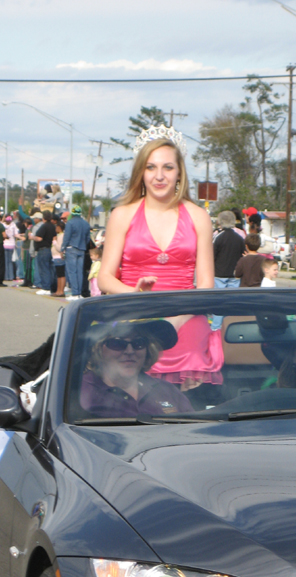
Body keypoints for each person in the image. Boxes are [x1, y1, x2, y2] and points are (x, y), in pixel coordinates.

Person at [97, 125, 221, 390]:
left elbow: (206, 286)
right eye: (151, 167)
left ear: (179, 173)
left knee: (187, 368)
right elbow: (105, 277)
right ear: (141, 173)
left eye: (168, 167)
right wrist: (134, 294)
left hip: (186, 316)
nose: (159, 176)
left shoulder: (198, 216)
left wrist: (173, 321)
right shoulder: (122, 214)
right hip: (132, 312)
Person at [80, 319, 193, 418]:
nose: (129, 351)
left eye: (138, 343)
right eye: (117, 343)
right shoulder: (80, 392)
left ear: (147, 350)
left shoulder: (167, 390)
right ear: (97, 349)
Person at [61, 204, 91, 300]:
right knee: (79, 272)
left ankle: (74, 293)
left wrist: (62, 248)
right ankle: (79, 294)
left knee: (72, 271)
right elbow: (88, 238)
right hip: (82, 249)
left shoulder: (70, 223)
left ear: (72, 213)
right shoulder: (86, 223)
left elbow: (67, 237)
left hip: (71, 248)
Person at [32, 210, 56, 295]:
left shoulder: (44, 226)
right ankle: (50, 286)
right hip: (50, 248)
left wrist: (33, 237)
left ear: (43, 218)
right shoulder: (53, 226)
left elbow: (39, 238)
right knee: (49, 268)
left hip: (43, 249)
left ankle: (45, 287)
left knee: (43, 268)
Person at [51, 220, 67, 296]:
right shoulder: (59, 235)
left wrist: (54, 242)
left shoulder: (61, 236)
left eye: (56, 227)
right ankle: (58, 290)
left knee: (61, 274)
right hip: (56, 257)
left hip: (59, 257)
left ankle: (61, 291)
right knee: (58, 275)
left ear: (59, 227)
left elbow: (60, 248)